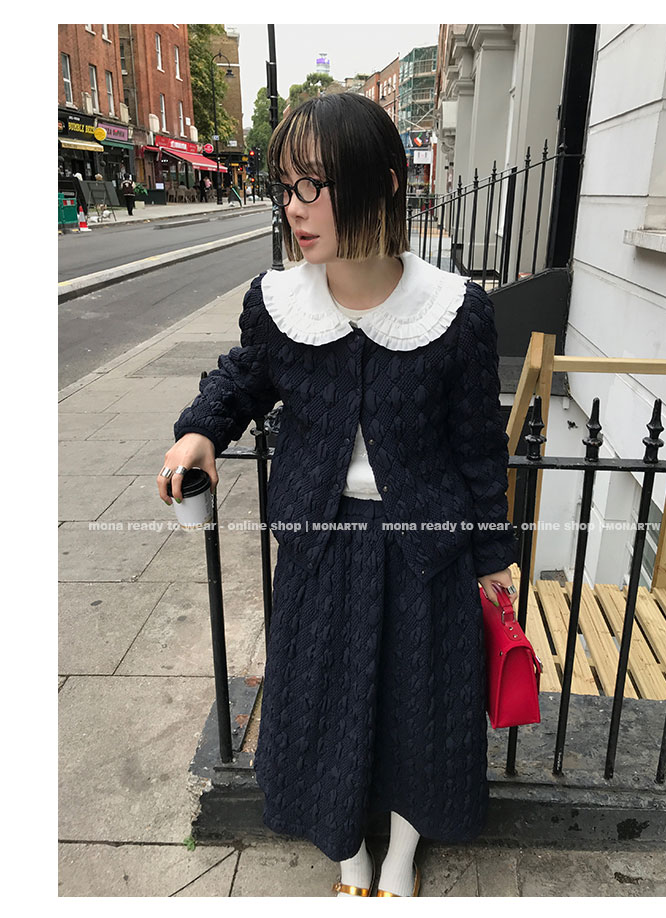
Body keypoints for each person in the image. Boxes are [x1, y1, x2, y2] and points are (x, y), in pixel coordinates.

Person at [157, 93, 519, 897]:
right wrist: (200, 432)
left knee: (421, 709)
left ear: (383, 183)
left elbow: (476, 446)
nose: (294, 207)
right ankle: (349, 856)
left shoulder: (456, 312)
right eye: (286, 186)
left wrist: (493, 555)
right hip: (322, 549)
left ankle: (399, 858)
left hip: (428, 552)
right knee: (323, 705)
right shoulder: (281, 304)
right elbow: (242, 377)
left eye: (313, 185)